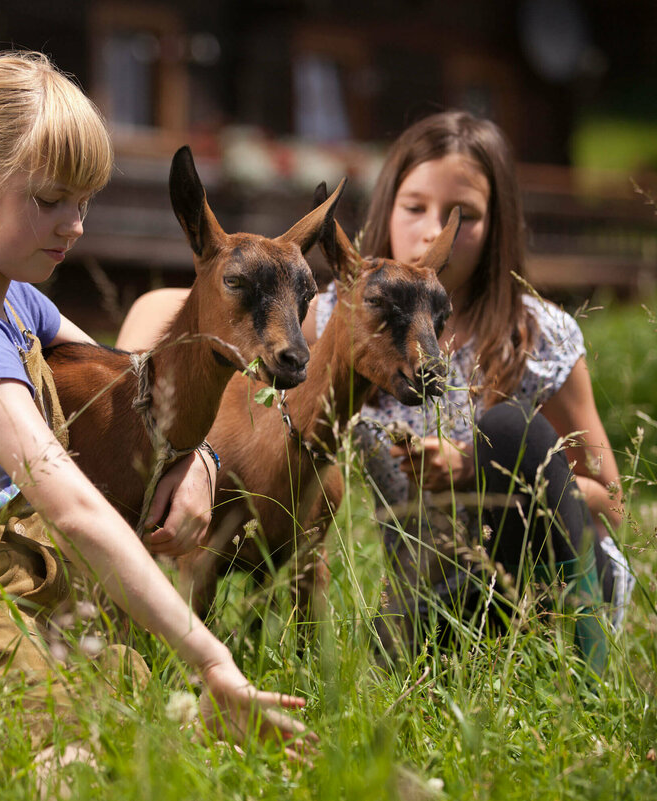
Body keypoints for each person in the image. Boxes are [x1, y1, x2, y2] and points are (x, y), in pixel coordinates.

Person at [0, 51, 314, 763]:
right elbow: (70, 504)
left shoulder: (13, 298)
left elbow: (139, 381)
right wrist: (208, 654)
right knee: (76, 746)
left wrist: (194, 457)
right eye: (50, 199)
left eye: (84, 200)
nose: (74, 224)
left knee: (134, 706)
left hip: (21, 574)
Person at [119, 111, 634, 673]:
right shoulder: (339, 319)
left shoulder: (538, 334)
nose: (432, 231)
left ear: (500, 227)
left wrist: (479, 471)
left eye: (463, 216)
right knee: (388, 648)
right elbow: (194, 305)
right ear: (387, 205)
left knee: (508, 428)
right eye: (415, 207)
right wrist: (154, 427)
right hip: (441, 585)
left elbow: (614, 501)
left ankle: (587, 671)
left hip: (554, 578)